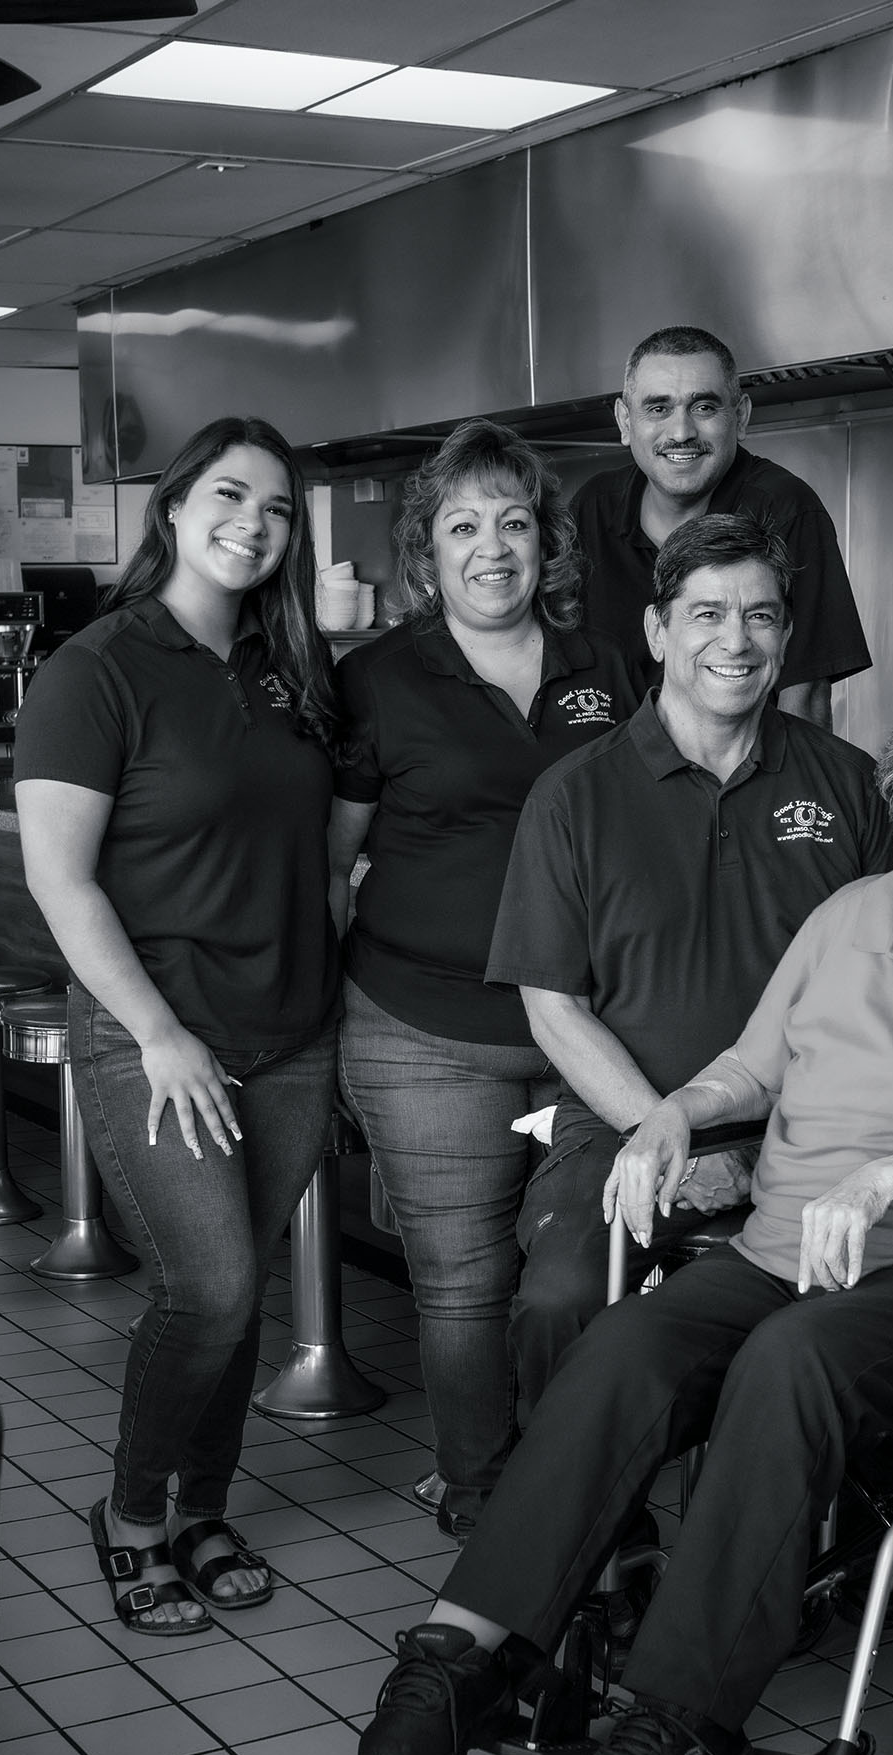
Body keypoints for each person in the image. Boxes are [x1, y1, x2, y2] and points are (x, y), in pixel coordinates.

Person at [356, 678, 893, 1755]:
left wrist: (892, 1175)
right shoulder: (847, 913)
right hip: (789, 1246)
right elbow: (752, 1070)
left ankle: (682, 1714)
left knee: (792, 1358)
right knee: (629, 1347)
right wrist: (672, 1111)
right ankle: (469, 1649)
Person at [15, 415, 339, 1636]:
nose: (252, 524)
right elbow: (62, 879)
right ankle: (133, 1513)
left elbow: (322, 838)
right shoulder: (95, 670)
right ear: (172, 507)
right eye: (228, 495)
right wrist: (156, 1031)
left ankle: (204, 1507)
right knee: (204, 1285)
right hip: (156, 1034)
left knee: (244, 1291)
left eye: (277, 507)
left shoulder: (289, 665)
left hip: (293, 1032)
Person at [487, 511, 893, 1408]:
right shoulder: (575, 795)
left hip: (810, 1129)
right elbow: (554, 1006)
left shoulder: (850, 783)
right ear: (658, 630)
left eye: (760, 616)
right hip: (622, 1122)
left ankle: (790, 1524)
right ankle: (604, 1533)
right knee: (559, 1300)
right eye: (707, 614)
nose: (735, 641)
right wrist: (660, 1130)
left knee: (842, 1320)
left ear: (786, 636)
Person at [330, 420, 641, 1537]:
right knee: (463, 1287)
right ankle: (482, 1496)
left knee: (577, 1275)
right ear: (428, 552)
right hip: (421, 1025)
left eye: (514, 522)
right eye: (465, 525)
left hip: (590, 1029)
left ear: (546, 541)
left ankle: (577, 1488)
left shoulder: (611, 667)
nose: (492, 547)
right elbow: (333, 855)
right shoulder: (374, 678)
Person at [572, 325, 872, 729]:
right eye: (658, 408)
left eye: (704, 408)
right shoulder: (591, 509)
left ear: (741, 416)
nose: (681, 433)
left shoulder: (786, 510)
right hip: (619, 778)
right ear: (625, 421)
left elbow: (806, 698)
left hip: (748, 780)